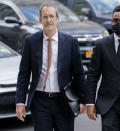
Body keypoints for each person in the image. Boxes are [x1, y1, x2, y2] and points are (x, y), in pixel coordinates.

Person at [15, 2, 87, 131]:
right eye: (45, 17)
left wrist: (83, 99)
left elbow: (79, 73)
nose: (49, 20)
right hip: (40, 102)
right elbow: (24, 74)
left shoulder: (70, 42)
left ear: (58, 19)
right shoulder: (30, 41)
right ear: (40, 20)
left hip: (64, 101)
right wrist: (20, 102)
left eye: (52, 16)